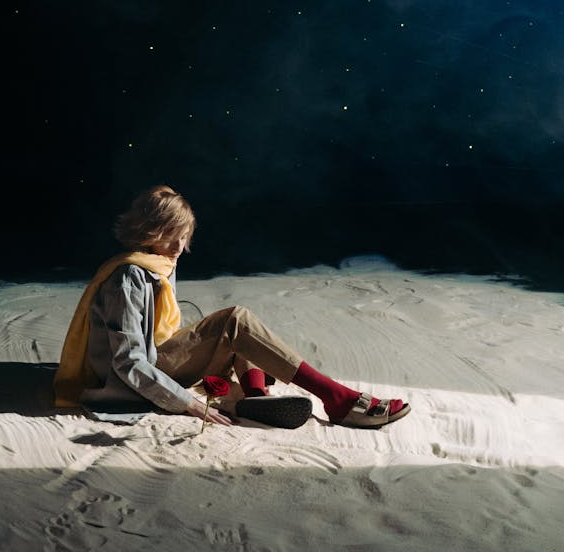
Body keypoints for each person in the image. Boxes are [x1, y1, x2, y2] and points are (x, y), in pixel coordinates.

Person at [54, 184, 411, 429]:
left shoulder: (157, 264)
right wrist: (187, 403)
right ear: (149, 231)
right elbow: (128, 361)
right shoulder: (130, 276)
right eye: (171, 234)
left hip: (153, 360)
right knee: (236, 322)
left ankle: (256, 398)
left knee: (240, 331)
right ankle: (337, 398)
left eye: (184, 234)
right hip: (126, 383)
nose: (180, 244)